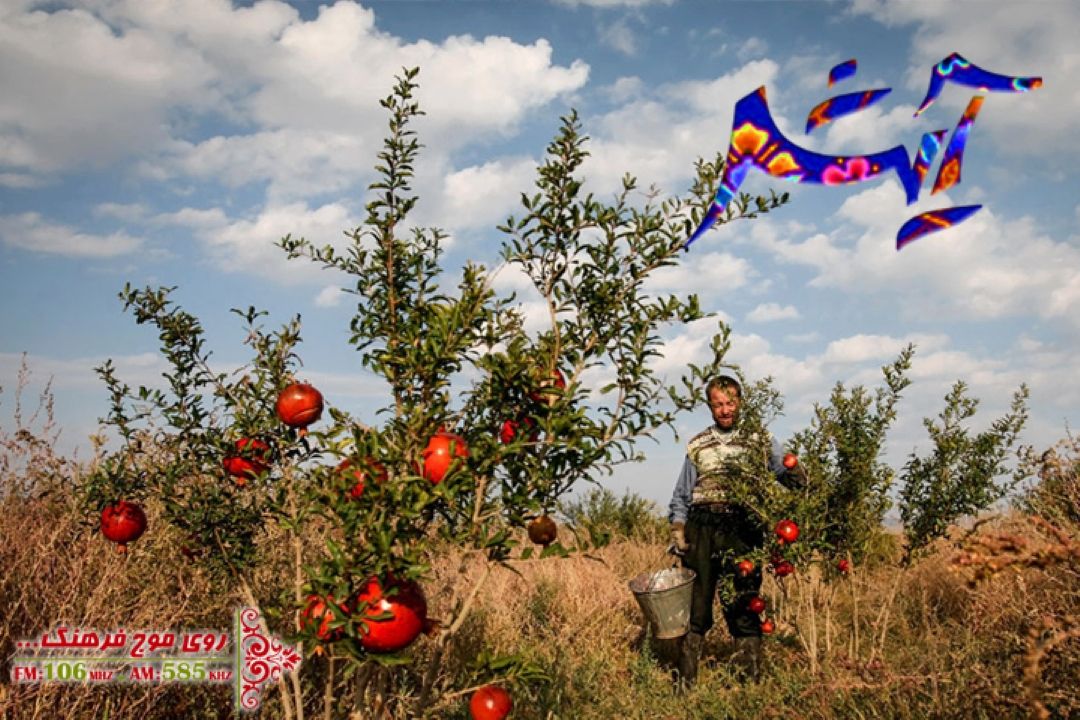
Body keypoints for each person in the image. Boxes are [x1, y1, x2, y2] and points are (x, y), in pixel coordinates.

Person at [668, 375, 801, 686]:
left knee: (743, 599)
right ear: (710, 407)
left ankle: (747, 680)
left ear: (740, 402)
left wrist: (798, 474)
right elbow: (682, 493)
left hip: (743, 525)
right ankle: (685, 682)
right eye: (718, 405)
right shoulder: (698, 444)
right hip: (702, 525)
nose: (725, 410)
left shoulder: (760, 439)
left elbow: (783, 470)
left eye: (730, 403)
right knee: (695, 603)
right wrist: (678, 527)